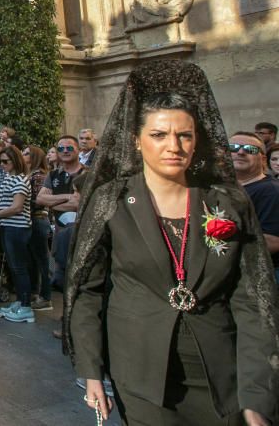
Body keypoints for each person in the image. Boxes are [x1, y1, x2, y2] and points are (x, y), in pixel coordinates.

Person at [64, 60, 279, 425]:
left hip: (220, 367)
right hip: (140, 371)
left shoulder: (227, 202)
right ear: (137, 139)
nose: (173, 146)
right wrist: (91, 371)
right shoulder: (110, 201)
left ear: (198, 140)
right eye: (159, 135)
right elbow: (87, 290)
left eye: (185, 135)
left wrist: (258, 392)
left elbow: (253, 299)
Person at [0, 145, 33, 323]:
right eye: (0, 161)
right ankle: (20, 301)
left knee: (19, 268)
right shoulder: (10, 177)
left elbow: (17, 207)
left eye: (6, 161)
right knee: (14, 268)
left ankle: (26, 306)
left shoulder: (20, 180)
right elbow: (5, 196)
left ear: (15, 161)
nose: (2, 165)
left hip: (17, 228)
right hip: (8, 227)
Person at [229, 132, 279, 282]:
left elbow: (273, 241)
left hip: (261, 278)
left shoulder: (271, 191)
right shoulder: (222, 187)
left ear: (263, 159)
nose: (240, 152)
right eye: (233, 147)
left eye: (250, 149)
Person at [24, 145, 53, 311]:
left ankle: (46, 296)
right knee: (32, 260)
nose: (23, 155)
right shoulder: (30, 174)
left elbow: (38, 200)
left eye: (27, 153)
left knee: (42, 260)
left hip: (38, 219)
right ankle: (35, 292)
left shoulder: (39, 175)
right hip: (31, 220)